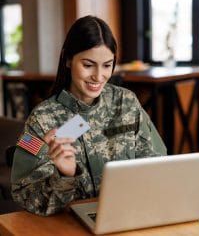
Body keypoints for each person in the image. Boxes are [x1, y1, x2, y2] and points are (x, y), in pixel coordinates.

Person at [11, 15, 167, 216]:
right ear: (68, 59)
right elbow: (26, 198)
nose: (98, 76)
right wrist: (65, 176)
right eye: (88, 65)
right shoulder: (41, 120)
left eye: (107, 65)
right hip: (70, 225)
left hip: (129, 215)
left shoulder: (126, 102)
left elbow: (158, 164)